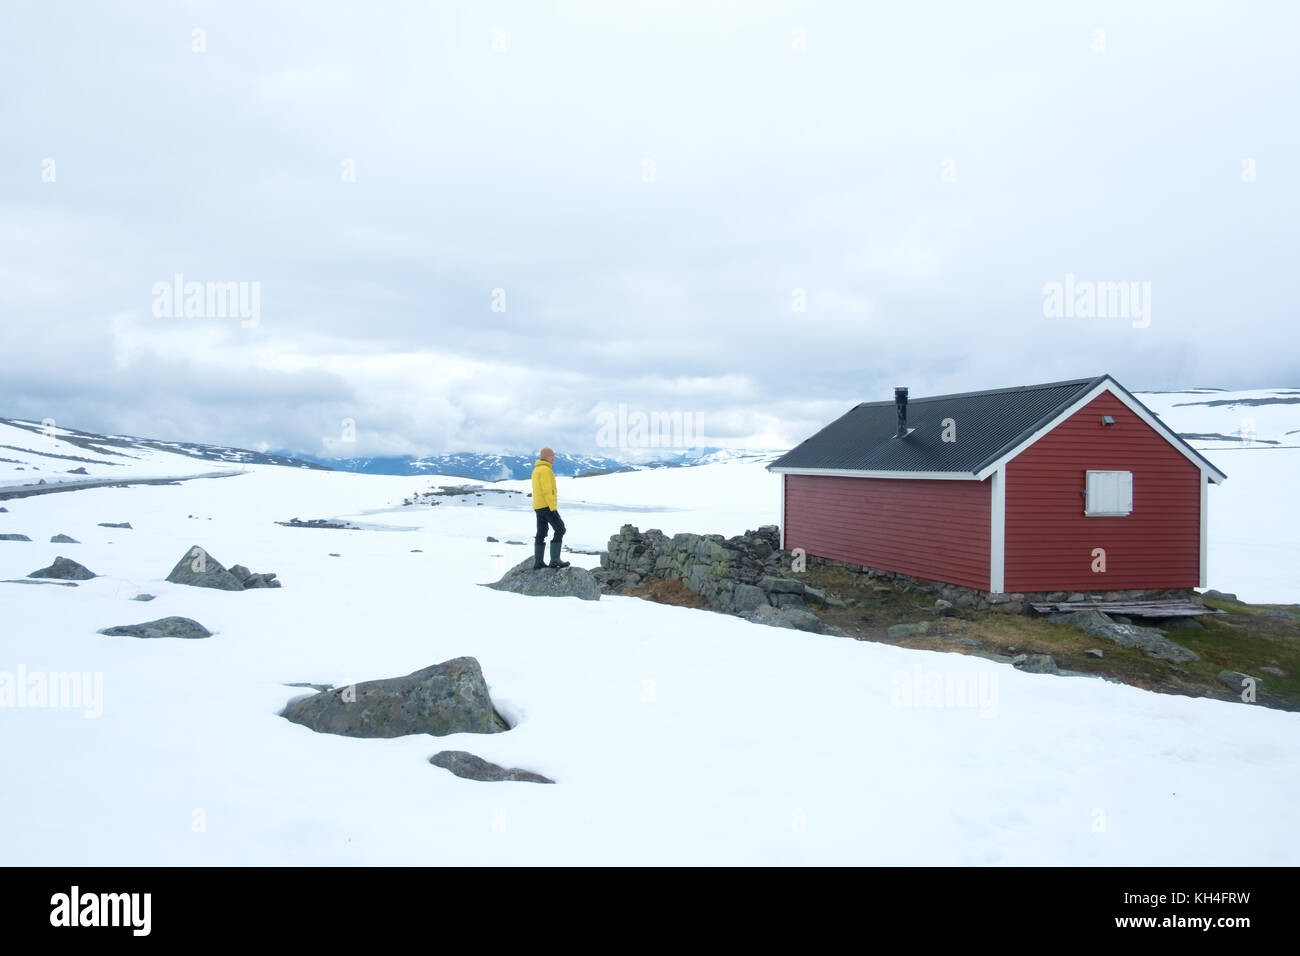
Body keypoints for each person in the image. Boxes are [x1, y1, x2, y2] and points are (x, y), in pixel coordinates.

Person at [531, 447, 570, 570]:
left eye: (553, 455)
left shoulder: (536, 470)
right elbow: (549, 491)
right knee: (560, 529)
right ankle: (554, 560)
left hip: (538, 506)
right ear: (545, 457)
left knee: (541, 532)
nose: (553, 458)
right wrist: (553, 507)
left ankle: (538, 562)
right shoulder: (546, 470)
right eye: (551, 456)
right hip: (547, 506)